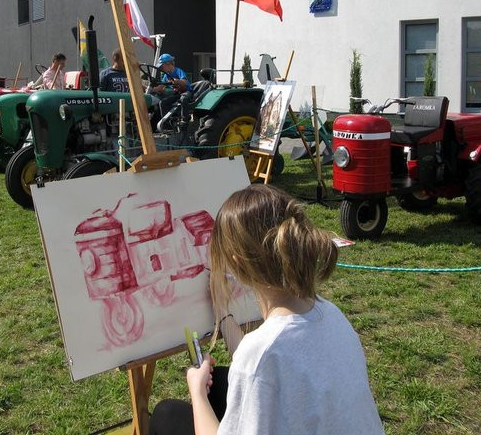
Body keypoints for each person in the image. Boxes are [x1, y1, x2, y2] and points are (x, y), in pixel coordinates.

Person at [150, 185, 384, 435]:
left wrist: (197, 392)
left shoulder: (260, 354)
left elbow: (262, 361)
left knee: (167, 415)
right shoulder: (331, 314)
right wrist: (223, 314)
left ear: (236, 263)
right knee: (219, 380)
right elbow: (273, 361)